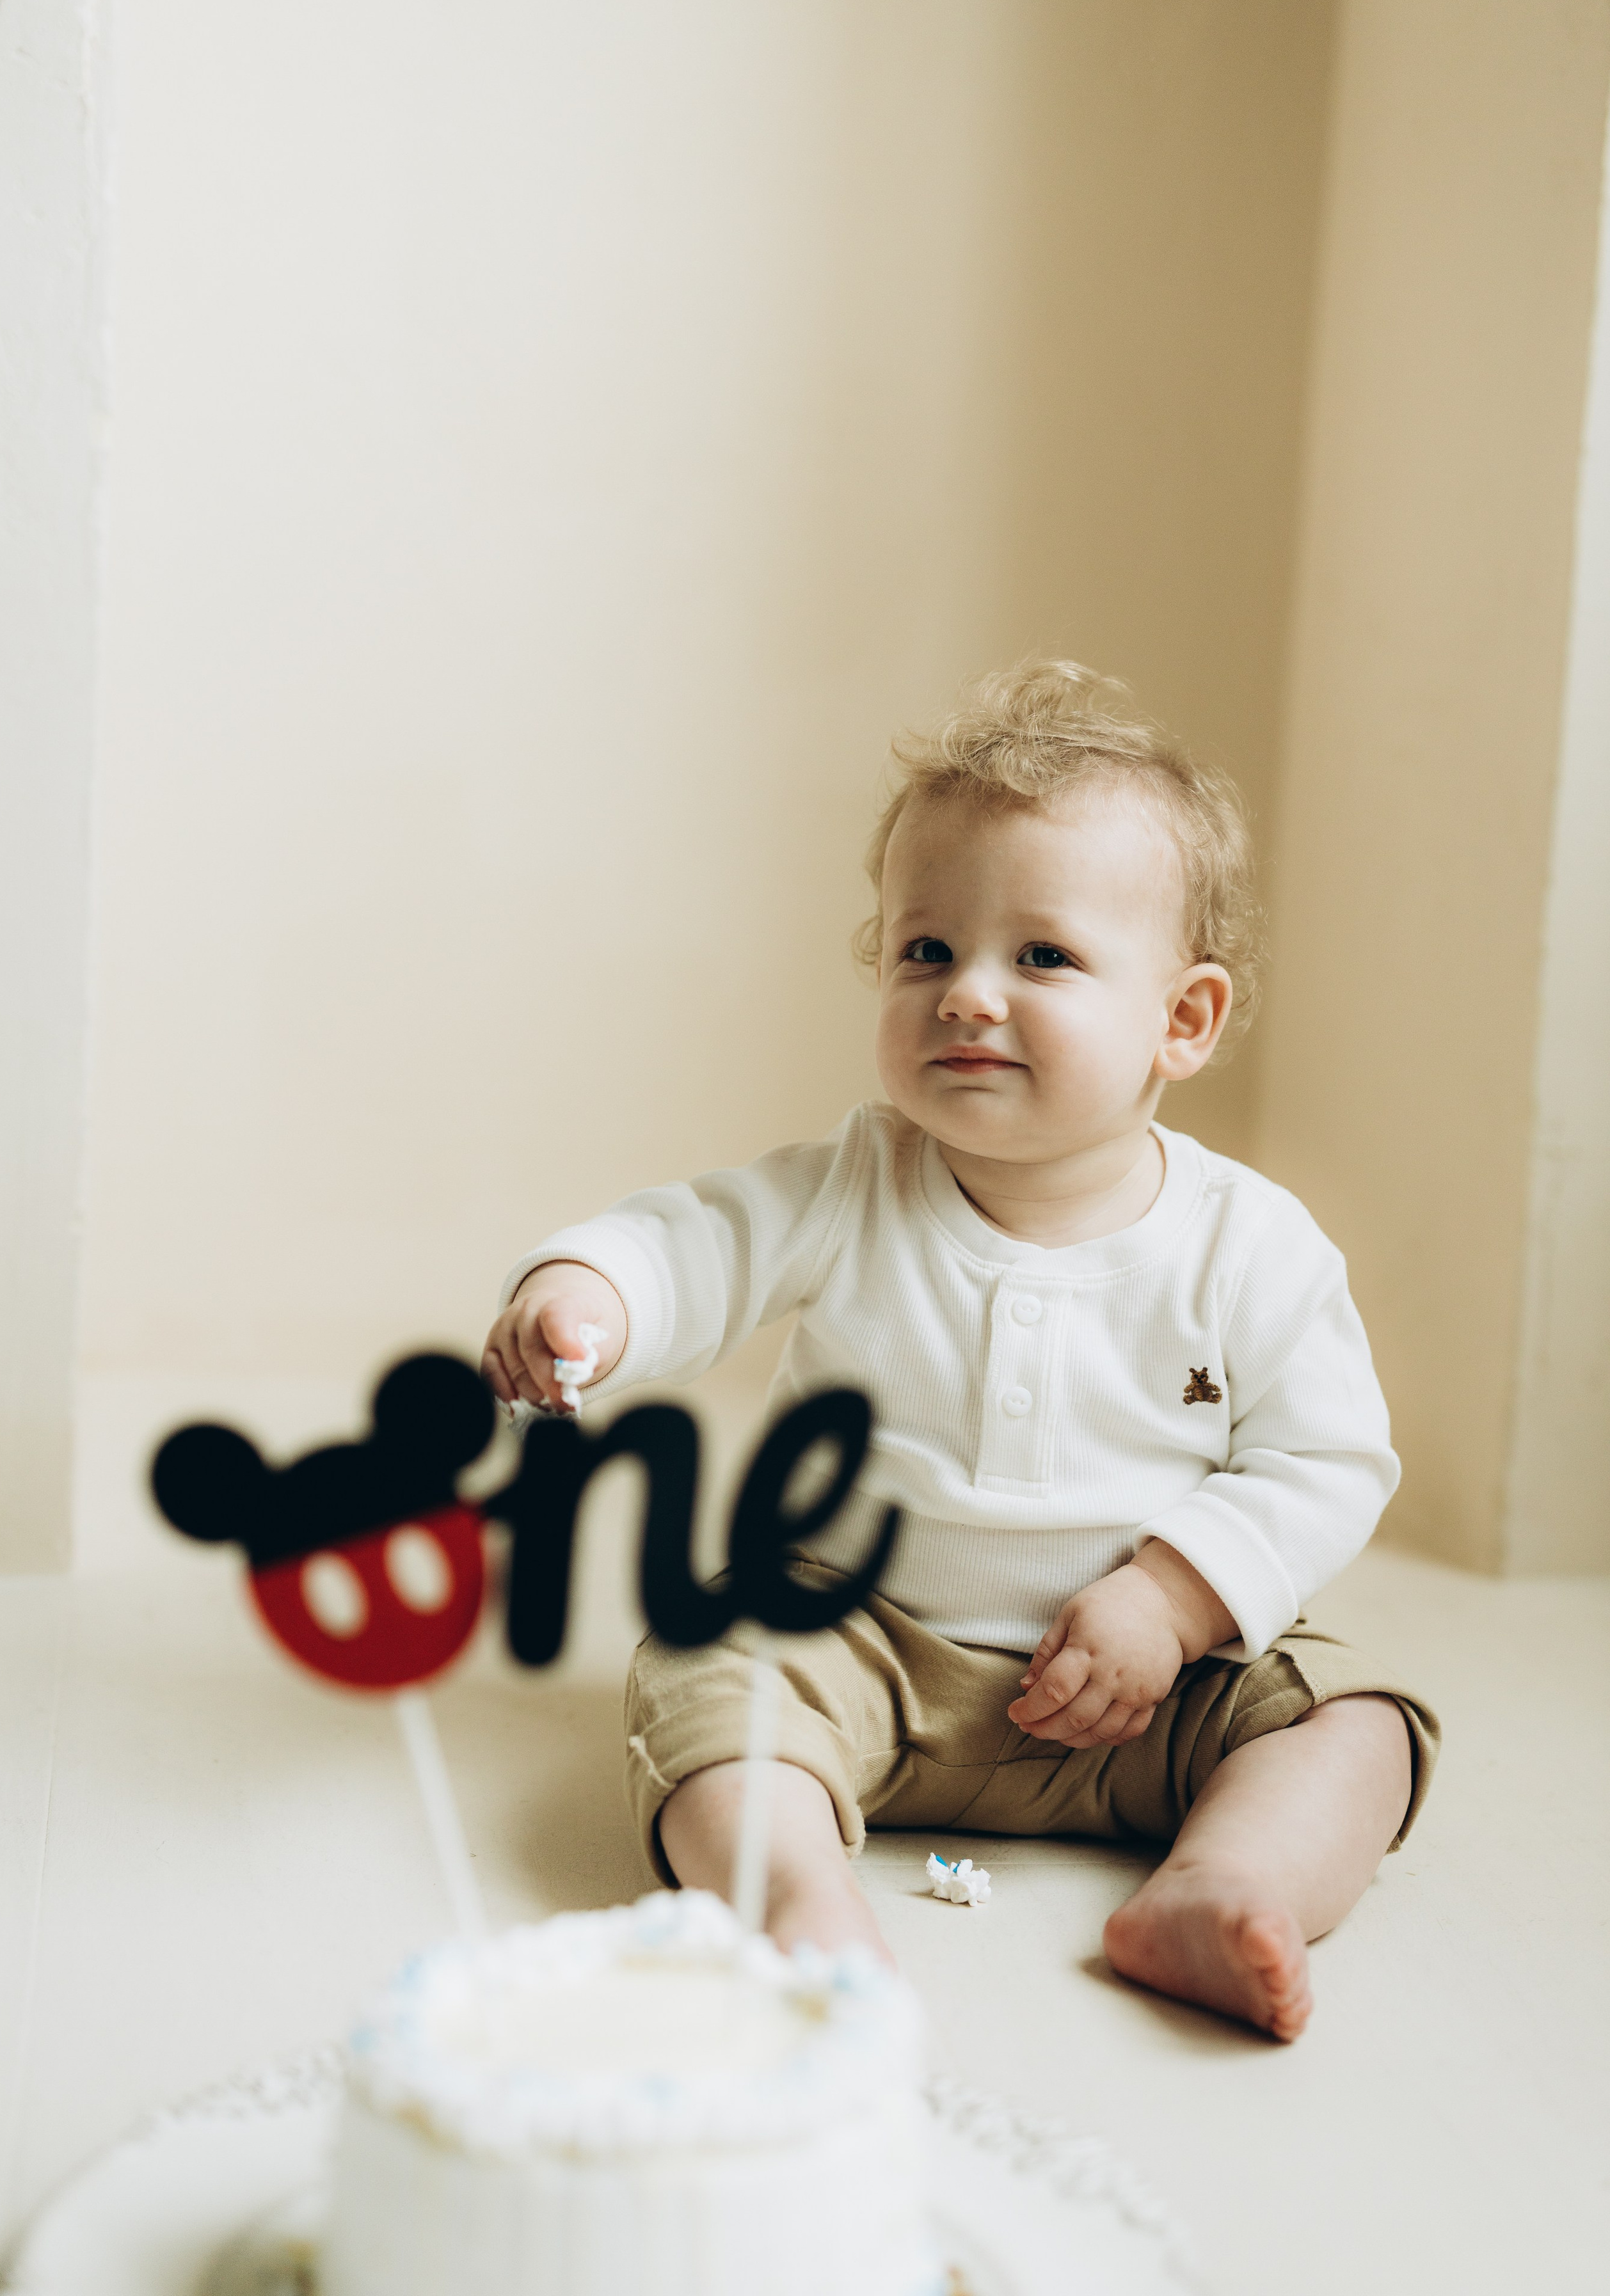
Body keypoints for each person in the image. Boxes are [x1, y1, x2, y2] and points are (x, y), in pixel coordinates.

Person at [482, 661, 1438, 2042]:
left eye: (1039, 957)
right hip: (851, 1644)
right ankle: (805, 1904)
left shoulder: (1249, 1241)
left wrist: (1173, 1603)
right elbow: (698, 1240)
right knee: (704, 1674)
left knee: (1358, 1722)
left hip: (1142, 1696)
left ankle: (1225, 1885)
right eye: (925, 951)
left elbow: (1326, 1456)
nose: (965, 996)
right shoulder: (856, 1182)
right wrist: (589, 1296)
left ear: (1182, 1020)